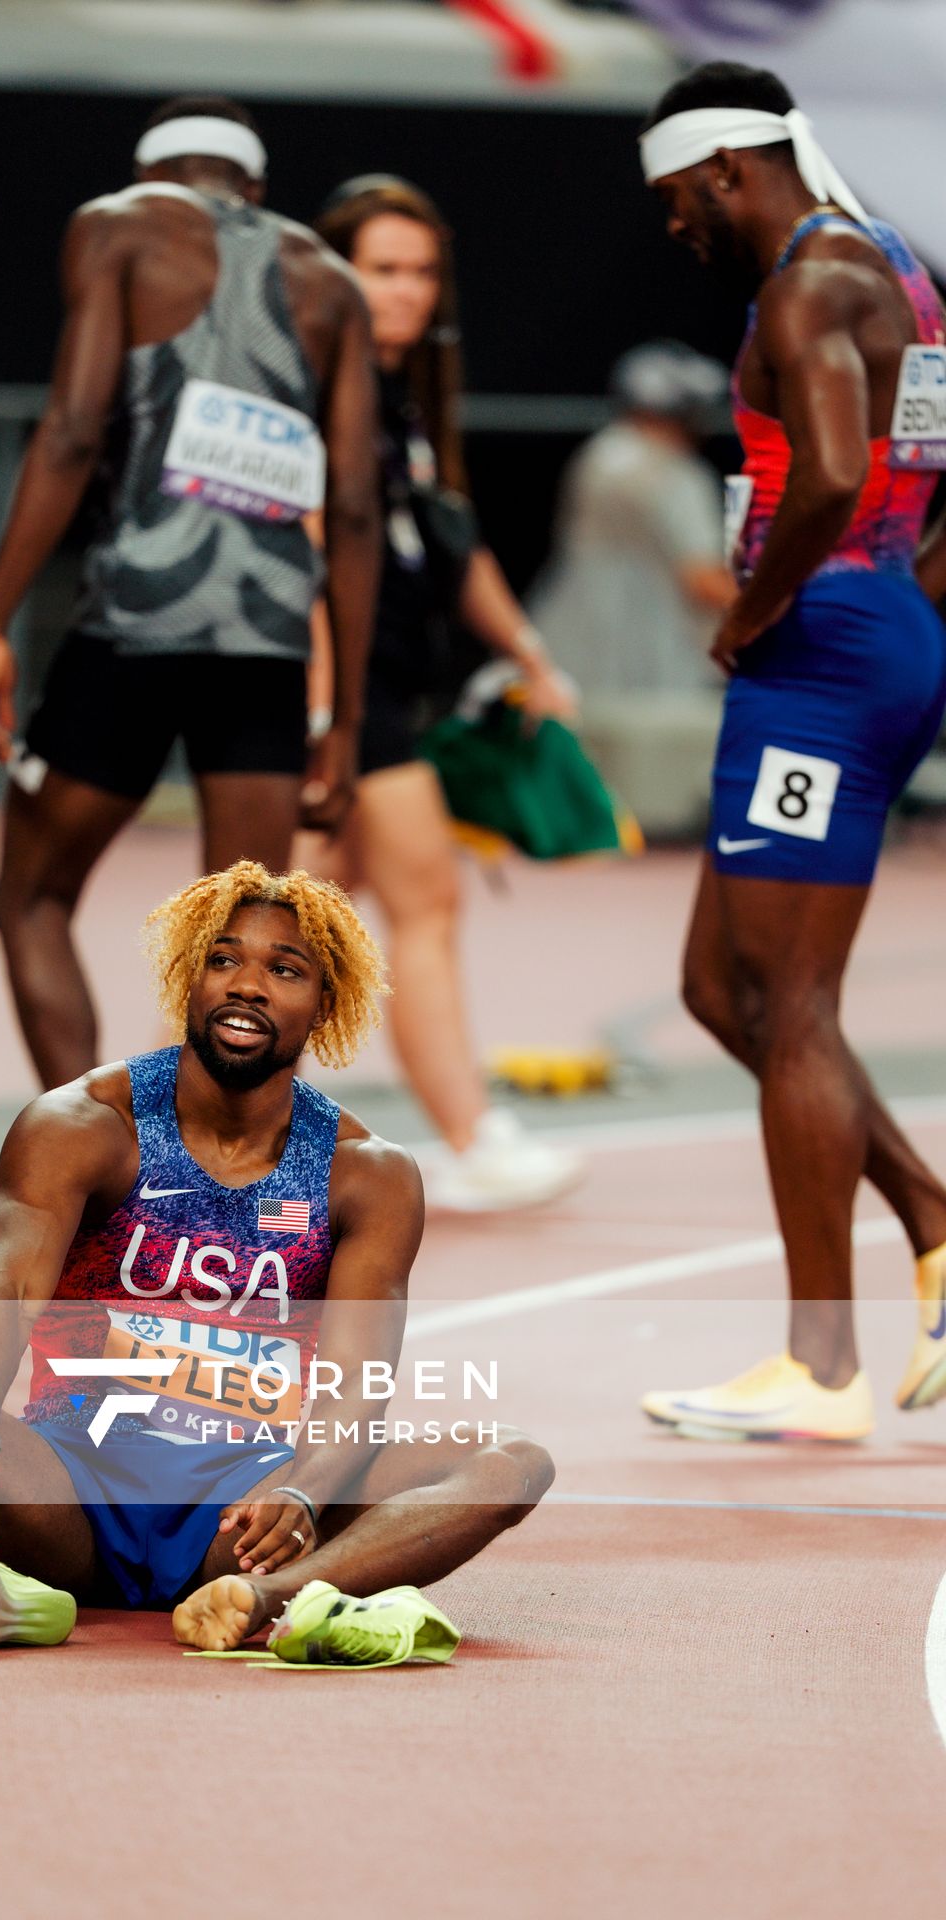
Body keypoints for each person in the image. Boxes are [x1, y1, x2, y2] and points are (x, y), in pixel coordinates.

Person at [0, 862, 554, 1660]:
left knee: (513, 1462)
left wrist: (302, 1489)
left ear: (325, 1005)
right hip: (68, 1493)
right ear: (188, 980)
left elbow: (356, 1380)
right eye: (223, 960)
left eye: (284, 970)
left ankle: (254, 1601)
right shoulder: (86, 1123)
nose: (248, 986)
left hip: (241, 1515)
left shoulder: (365, 1173)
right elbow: (3, 1283)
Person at [636, 61, 946, 1440]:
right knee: (721, 987)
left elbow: (825, 472)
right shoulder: (901, 269)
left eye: (675, 200)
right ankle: (935, 1221)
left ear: (723, 168)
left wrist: (760, 614)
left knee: (795, 1000)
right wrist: (906, 615)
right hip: (873, 636)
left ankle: (822, 1367)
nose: (673, 229)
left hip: (815, 658)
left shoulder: (807, 286)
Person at [0, 97, 382, 1088]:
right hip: (266, 647)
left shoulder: (117, 225)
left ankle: (93, 1148)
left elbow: (70, 431)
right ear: (257, 188)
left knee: (28, 898)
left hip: (135, 624)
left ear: (150, 171)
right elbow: (355, 506)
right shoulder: (331, 283)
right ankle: (219, 1184)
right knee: (247, 946)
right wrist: (345, 719)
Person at [298, 174, 584, 1212]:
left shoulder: (401, 402)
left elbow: (450, 545)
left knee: (281, 933)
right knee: (374, 912)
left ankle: (144, 1143)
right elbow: (307, 555)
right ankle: (468, 1136)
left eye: (422, 273)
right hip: (337, 700)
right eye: (382, 270)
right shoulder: (317, 394)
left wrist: (528, 651)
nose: (407, 293)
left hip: (388, 694)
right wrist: (325, 713)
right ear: (332, 274)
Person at [527, 340, 736, 698]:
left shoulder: (597, 456)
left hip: (570, 640)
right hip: (654, 654)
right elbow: (701, 580)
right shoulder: (676, 475)